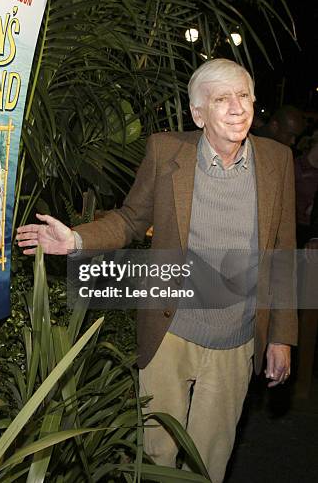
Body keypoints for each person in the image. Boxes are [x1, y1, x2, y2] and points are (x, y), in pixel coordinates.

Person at [16, 58, 297, 483]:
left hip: (235, 341)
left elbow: (283, 253)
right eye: (222, 99)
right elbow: (130, 219)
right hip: (169, 333)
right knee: (157, 456)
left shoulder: (278, 160)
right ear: (198, 114)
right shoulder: (167, 151)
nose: (238, 108)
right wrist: (76, 240)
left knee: (208, 463)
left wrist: (281, 337)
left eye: (244, 96)